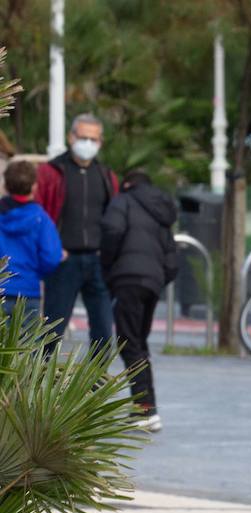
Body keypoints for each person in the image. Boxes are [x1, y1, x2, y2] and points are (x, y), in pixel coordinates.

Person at [100, 170, 179, 432]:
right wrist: (159, 278)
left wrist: (108, 269)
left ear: (127, 183)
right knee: (138, 343)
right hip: (153, 282)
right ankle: (147, 408)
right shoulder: (160, 210)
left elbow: (112, 230)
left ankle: (145, 409)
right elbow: (171, 256)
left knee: (129, 343)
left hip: (128, 279)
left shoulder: (122, 201)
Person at [34, 114, 118, 354]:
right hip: (64, 261)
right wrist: (51, 250)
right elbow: (38, 214)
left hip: (98, 261)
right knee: (51, 330)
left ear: (100, 141)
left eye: (93, 139)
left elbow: (113, 215)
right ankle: (41, 383)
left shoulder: (105, 175)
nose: (88, 144)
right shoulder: (51, 172)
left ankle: (96, 386)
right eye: (83, 137)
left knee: (103, 330)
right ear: (72, 137)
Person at [0, 160, 64, 330]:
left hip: (1, 289)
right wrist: (37, 273)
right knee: (26, 352)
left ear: (5, 184)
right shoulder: (41, 218)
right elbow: (51, 257)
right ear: (35, 186)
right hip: (28, 291)